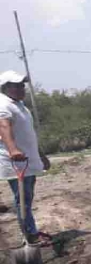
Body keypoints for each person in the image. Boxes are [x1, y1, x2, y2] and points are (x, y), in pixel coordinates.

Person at [0, 70, 51, 245]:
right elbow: (3, 127)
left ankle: (31, 230)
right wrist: (13, 150)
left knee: (27, 198)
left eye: (22, 85)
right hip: (15, 161)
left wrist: (41, 155)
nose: (22, 88)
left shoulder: (20, 105)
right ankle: (30, 235)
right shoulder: (2, 104)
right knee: (22, 199)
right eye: (17, 85)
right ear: (6, 87)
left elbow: (28, 134)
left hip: (28, 159)